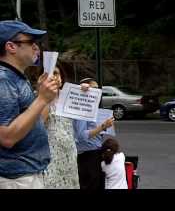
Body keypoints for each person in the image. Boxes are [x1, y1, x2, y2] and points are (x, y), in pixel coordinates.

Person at [0, 20, 59, 189]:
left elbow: (36, 121)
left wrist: (46, 98)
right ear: (11, 47)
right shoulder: (4, 80)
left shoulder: (16, 77)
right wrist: (41, 99)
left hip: (27, 175)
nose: (36, 47)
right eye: (31, 42)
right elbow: (6, 137)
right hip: (15, 179)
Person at [41, 61, 80, 189]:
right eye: (50, 75)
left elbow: (88, 103)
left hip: (69, 155)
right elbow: (40, 122)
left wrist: (85, 89)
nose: (54, 77)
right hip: (51, 156)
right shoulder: (40, 99)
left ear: (62, 79)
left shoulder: (68, 98)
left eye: (56, 74)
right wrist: (47, 96)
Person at [72, 77, 114, 190]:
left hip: (95, 153)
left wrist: (105, 127)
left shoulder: (93, 108)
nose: (98, 92)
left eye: (98, 89)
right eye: (94, 88)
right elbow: (81, 136)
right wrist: (103, 126)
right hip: (87, 156)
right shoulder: (81, 108)